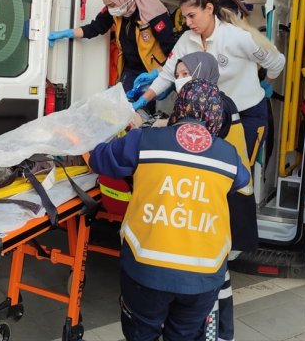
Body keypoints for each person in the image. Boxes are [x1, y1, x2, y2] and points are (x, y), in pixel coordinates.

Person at [88, 79, 250, 341]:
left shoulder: (145, 139)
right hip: (203, 276)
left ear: (179, 106)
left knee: (142, 333)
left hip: (146, 270)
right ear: (216, 116)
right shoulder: (228, 155)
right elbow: (241, 182)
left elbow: (100, 159)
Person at [134, 0, 285, 173]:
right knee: (213, 174)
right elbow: (166, 75)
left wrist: (266, 84)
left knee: (240, 175)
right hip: (213, 117)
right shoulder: (187, 40)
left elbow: (277, 61)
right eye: (185, 17)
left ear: (209, 9)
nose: (188, 23)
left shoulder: (236, 37)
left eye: (192, 16)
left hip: (247, 115)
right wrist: (142, 101)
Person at [171, 51, 258, 341]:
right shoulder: (215, 100)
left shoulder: (213, 105)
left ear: (202, 72)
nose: (180, 80)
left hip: (225, 200)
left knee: (215, 274)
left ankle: (217, 333)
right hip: (223, 194)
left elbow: (201, 149)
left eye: (186, 74)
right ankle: (218, 331)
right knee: (216, 272)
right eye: (178, 74)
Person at [48, 0, 175, 97]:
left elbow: (171, 51)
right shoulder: (116, 8)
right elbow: (95, 28)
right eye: (107, 5)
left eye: (112, 5)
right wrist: (67, 33)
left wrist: (161, 74)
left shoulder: (154, 14)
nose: (110, 9)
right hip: (131, 67)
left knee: (146, 104)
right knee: (126, 103)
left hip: (153, 69)